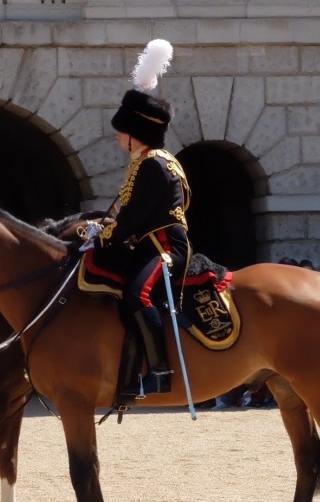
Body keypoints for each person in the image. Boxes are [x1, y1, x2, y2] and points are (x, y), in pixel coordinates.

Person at [89, 40, 191, 395]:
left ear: (137, 135)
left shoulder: (154, 165)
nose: (117, 135)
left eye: (123, 130)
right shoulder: (148, 162)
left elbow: (133, 218)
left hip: (165, 247)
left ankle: (160, 370)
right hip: (149, 245)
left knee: (138, 295)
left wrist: (104, 236)